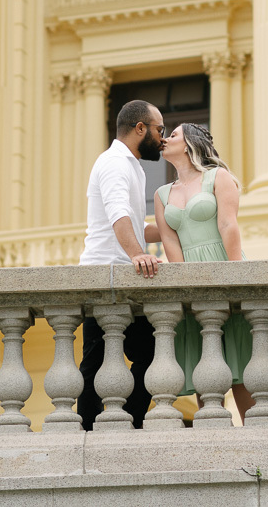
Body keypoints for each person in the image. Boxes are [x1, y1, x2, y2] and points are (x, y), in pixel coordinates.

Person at [154, 122, 255, 423]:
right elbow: (169, 239)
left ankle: (257, 433)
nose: (164, 139)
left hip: (223, 263)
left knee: (241, 357)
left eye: (172, 135)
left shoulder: (218, 177)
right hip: (191, 277)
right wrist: (185, 283)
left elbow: (228, 225)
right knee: (204, 360)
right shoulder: (161, 194)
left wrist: (234, 274)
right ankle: (215, 435)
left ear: (188, 144)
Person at [77, 99, 165, 431]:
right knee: (95, 362)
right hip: (105, 273)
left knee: (152, 354)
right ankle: (87, 432)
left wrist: (177, 228)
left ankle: (126, 420)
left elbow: (136, 225)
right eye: (159, 130)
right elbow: (118, 213)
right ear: (139, 128)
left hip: (123, 272)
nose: (162, 137)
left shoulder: (132, 166)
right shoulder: (114, 162)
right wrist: (136, 254)